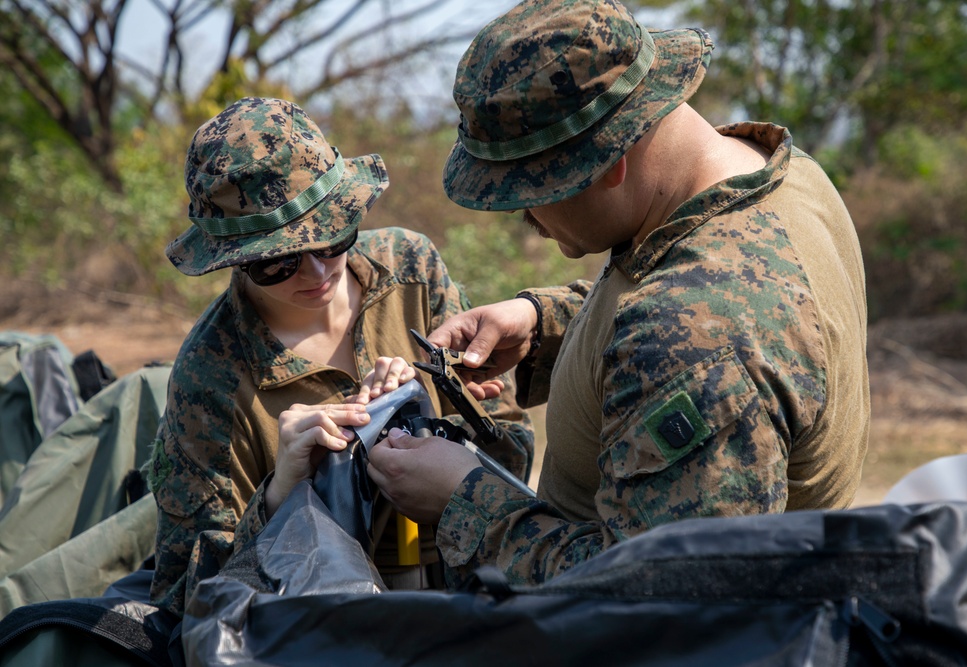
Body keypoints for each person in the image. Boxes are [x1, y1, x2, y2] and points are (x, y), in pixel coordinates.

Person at [366, 0, 869, 588]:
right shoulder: (772, 174)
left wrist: (466, 499)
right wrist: (542, 323)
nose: (526, 214)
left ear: (608, 162)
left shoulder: (698, 339)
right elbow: (687, 290)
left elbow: (660, 602)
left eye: (529, 190)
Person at [146, 96, 533, 618]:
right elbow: (186, 598)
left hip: (471, 607)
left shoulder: (411, 271)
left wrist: (430, 417)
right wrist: (282, 493)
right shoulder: (210, 375)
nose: (317, 273)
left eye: (334, 238)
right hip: (331, 635)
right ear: (231, 260)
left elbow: (512, 447)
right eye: (278, 262)